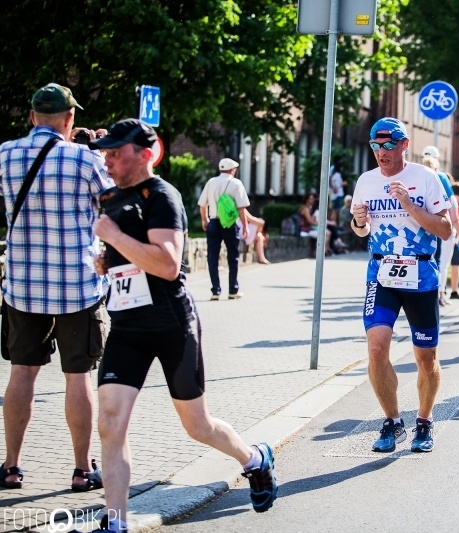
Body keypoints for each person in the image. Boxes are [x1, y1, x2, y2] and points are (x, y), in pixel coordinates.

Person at [89, 119, 277, 533]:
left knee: (197, 426)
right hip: (126, 327)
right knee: (109, 420)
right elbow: (128, 258)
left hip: (171, 325)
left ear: (144, 153)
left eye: (116, 152)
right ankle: (115, 521)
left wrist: (114, 237)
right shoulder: (112, 199)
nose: (108, 159)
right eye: (105, 153)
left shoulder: (161, 197)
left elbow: (168, 264)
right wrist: (109, 261)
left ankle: (254, 459)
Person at [0, 83, 110, 492]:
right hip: (77, 287)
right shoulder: (83, 159)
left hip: (23, 285)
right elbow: (115, 204)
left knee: (21, 373)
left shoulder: (5, 154)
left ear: (31, 117)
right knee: (77, 375)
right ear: (70, 120)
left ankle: (11, 467)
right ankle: (83, 470)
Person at [350, 117, 452, 453]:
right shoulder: (365, 181)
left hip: (420, 275)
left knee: (426, 357)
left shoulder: (426, 178)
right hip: (381, 274)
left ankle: (424, 420)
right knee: (376, 349)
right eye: (376, 146)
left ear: (404, 145)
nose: (381, 152)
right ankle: (393, 422)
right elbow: (361, 230)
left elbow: (446, 229)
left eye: (388, 145)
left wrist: (409, 204)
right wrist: (359, 222)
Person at [197, 158, 249, 300]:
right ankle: (233, 290)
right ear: (233, 170)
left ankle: (215, 291)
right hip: (230, 224)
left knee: (212, 257)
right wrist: (245, 226)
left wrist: (205, 219)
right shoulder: (236, 183)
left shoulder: (211, 182)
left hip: (213, 222)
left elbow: (202, 205)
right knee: (233, 256)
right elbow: (241, 207)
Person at [421, 148, 459, 306]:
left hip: (422, 227)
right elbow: (451, 205)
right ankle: (439, 294)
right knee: (440, 262)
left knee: (423, 260)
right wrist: (456, 227)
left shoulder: (417, 176)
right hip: (440, 225)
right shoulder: (442, 177)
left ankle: (423, 294)